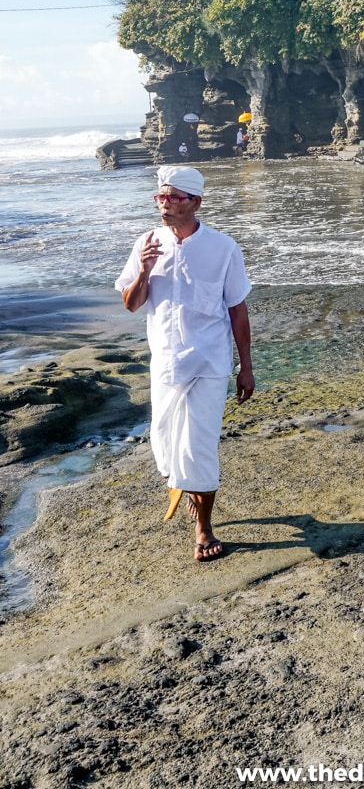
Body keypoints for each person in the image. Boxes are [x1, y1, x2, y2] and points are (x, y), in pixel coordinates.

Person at [115, 165, 254, 561]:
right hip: (165, 363)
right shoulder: (146, 242)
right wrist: (143, 268)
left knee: (198, 447)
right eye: (160, 197)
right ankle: (186, 486)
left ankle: (203, 527)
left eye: (173, 197)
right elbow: (131, 304)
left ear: (195, 201)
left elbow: (237, 309)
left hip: (209, 361)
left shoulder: (223, 247)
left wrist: (246, 366)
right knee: (163, 443)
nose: (164, 204)